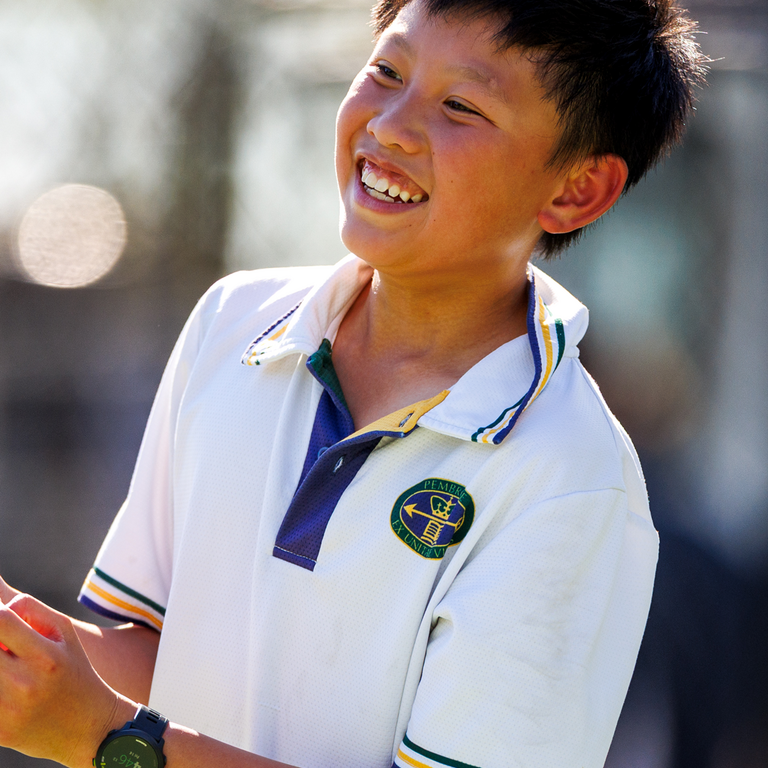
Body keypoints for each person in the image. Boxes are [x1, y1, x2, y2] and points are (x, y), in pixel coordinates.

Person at [0, 0, 706, 766]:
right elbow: (155, 656)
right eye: (386, 71)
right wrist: (25, 658)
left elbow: (116, 726)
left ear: (576, 190)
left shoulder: (571, 481)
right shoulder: (232, 323)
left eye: (460, 106)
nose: (390, 127)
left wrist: (115, 742)